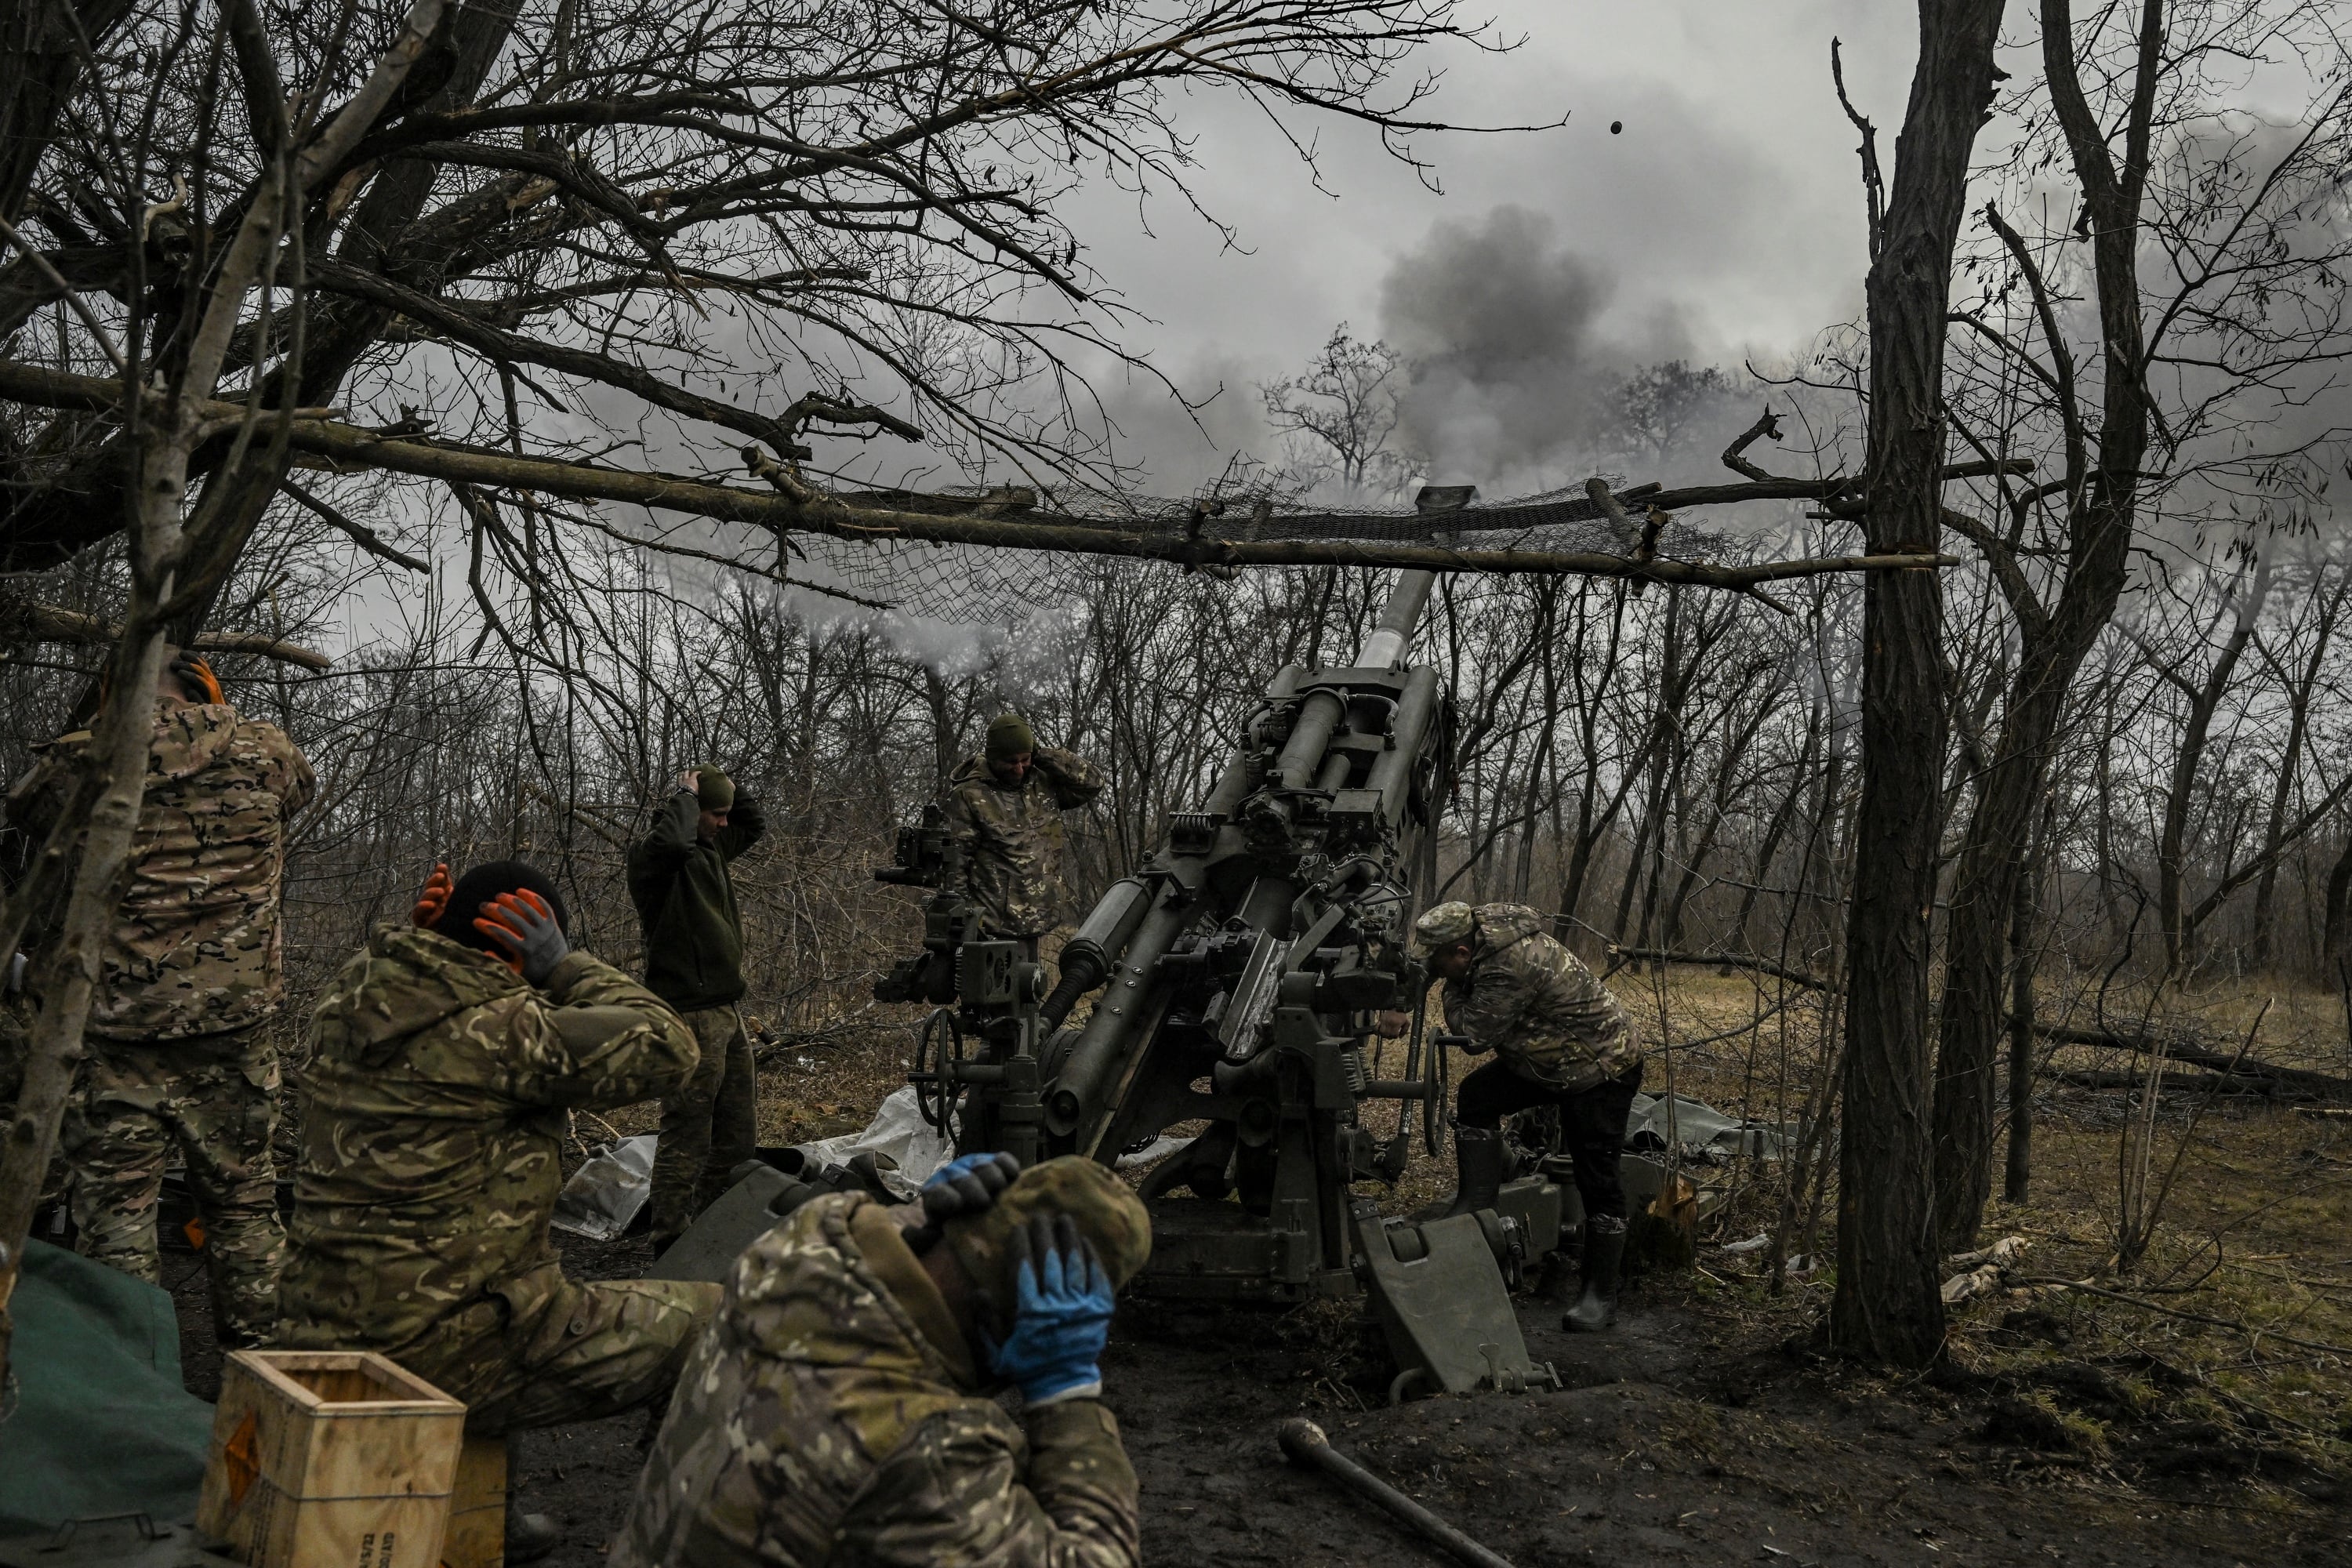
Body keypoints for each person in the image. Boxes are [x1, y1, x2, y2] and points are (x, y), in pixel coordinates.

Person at [275, 859, 715, 1561]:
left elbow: (412, 972)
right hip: (433, 1352)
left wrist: (430, 944)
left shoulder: (349, 998)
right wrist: (566, 964)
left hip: (312, 1323)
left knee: (502, 1270)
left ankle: (478, 1510)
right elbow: (671, 1049)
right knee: (717, 1321)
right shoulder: (507, 1031)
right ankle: (680, 1536)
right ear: (517, 952)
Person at [608, 1152, 1149, 1568]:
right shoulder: (928, 1451)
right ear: (1021, 1319)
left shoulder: (808, 1241)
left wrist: (921, 1216)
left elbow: (883, 1248)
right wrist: (1067, 1392)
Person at [4, 649, 314, 1348]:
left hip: (116, 1035)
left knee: (115, 1221)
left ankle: (136, 1400)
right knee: (243, 1206)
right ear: (207, 690)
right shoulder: (266, 751)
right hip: (231, 1027)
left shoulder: (82, 762)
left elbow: (28, 809)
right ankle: (267, 1389)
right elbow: (299, 792)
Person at [1415, 900, 1641, 1333]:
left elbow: (1474, 1035)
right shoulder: (1480, 934)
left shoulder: (1508, 965)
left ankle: (1600, 1294)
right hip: (1550, 1060)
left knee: (1597, 1177)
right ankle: (1476, 1209)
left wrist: (1448, 989)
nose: (1436, 971)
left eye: (1441, 964)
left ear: (1462, 954)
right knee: (1477, 1098)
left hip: (1600, 1069)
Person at [626, 765, 766, 1247]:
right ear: (690, 813)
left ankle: (713, 1226)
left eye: (726, 814)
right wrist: (684, 796)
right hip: (688, 1013)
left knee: (736, 1128)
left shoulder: (712, 848)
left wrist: (722, 779)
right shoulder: (655, 862)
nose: (725, 823)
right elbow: (670, 844)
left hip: (727, 1010)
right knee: (688, 1128)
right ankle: (669, 1236)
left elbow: (755, 822)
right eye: (715, 814)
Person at [940, 713, 1105, 960]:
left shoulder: (1042, 783)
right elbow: (955, 865)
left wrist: (1041, 755)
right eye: (1010, 762)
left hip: (1037, 921)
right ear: (993, 758)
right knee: (996, 996)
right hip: (994, 928)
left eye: (1024, 760)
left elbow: (1093, 783)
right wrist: (968, 927)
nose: (1018, 769)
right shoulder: (970, 795)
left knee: (1031, 992)